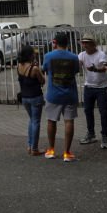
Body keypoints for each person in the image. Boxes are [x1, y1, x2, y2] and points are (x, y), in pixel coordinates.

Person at [41, 31, 80, 162]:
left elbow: (45, 69)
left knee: (51, 121)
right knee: (69, 121)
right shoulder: (74, 57)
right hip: (70, 94)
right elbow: (76, 71)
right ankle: (67, 153)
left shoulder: (48, 56)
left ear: (55, 42)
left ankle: (51, 150)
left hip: (53, 94)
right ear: (67, 43)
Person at [77, 35, 107, 149]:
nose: (85, 45)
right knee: (88, 111)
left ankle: (105, 136)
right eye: (83, 43)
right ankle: (91, 134)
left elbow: (105, 67)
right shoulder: (82, 55)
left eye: (87, 42)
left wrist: (96, 69)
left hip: (102, 87)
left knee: (103, 112)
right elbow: (77, 67)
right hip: (88, 87)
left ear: (93, 44)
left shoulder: (101, 54)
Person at [17, 44, 45, 156]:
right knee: (36, 121)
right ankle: (34, 148)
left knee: (31, 120)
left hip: (24, 98)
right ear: (30, 55)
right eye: (33, 53)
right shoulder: (34, 69)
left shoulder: (18, 66)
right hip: (35, 97)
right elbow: (43, 81)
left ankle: (29, 145)